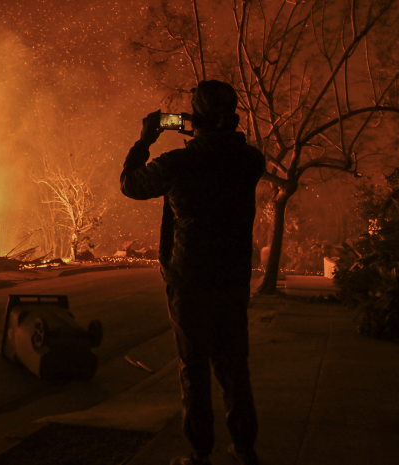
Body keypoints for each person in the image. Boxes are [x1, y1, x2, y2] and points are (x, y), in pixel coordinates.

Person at [120, 80, 265, 465]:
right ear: (232, 118)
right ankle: (245, 447)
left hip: (189, 280)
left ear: (194, 121)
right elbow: (228, 148)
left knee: (194, 369)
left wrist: (146, 139)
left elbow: (130, 184)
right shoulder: (251, 162)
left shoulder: (178, 165)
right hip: (233, 280)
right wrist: (205, 128)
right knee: (234, 367)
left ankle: (200, 453)